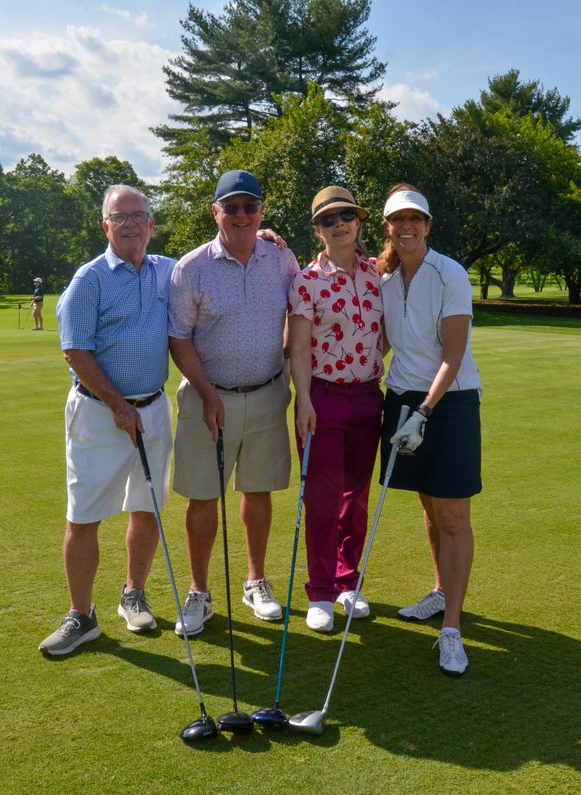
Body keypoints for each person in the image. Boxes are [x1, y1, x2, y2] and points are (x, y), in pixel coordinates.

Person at [37, 185, 176, 657]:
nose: (132, 223)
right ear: (106, 226)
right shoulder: (89, 279)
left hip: (154, 408)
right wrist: (118, 405)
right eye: (121, 217)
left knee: (147, 506)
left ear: (152, 224)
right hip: (100, 414)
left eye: (140, 215)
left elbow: (212, 260)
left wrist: (267, 237)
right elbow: (74, 350)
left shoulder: (167, 272)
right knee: (84, 515)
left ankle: (133, 592)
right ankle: (82, 616)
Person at [167, 169, 299, 636]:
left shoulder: (281, 258)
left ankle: (255, 581)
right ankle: (199, 593)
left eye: (250, 207)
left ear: (261, 210)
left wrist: (284, 359)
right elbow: (179, 339)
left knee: (258, 491)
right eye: (232, 207)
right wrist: (205, 393)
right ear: (215, 211)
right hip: (208, 399)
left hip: (267, 394)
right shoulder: (192, 267)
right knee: (203, 497)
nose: (242, 215)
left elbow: (299, 310)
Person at [377, 184, 482, 677]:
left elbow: (452, 354)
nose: (406, 227)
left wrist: (423, 411)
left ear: (428, 226)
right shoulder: (383, 279)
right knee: (427, 502)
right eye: (397, 220)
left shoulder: (450, 274)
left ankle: (452, 629)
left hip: (449, 401)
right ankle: (441, 592)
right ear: (387, 229)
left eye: (415, 219)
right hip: (402, 399)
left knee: (454, 515)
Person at [287, 186, 384, 632]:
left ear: (359, 221)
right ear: (318, 229)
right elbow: (300, 348)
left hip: (367, 398)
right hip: (322, 398)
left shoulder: (377, 275)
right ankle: (321, 591)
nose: (339, 224)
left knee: (355, 500)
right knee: (323, 501)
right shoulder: (306, 280)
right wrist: (304, 401)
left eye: (346, 215)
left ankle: (348, 582)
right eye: (329, 219)